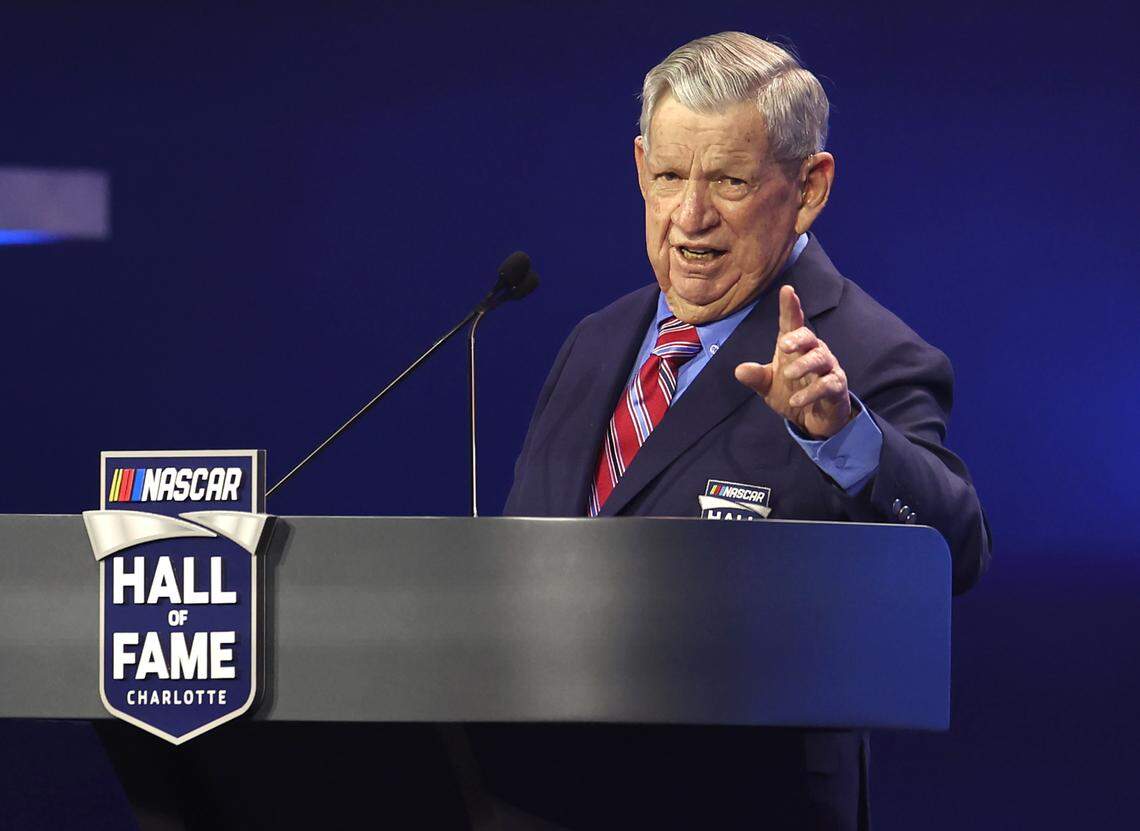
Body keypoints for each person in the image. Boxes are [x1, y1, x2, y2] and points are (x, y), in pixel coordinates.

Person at [481, 31, 992, 830]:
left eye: (729, 180)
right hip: (545, 799)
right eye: (669, 176)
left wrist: (841, 432)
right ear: (639, 167)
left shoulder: (865, 355)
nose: (691, 216)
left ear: (810, 186)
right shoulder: (594, 342)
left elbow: (955, 550)